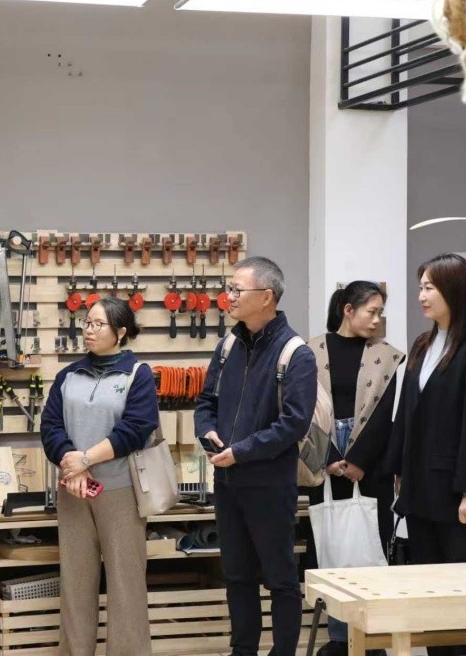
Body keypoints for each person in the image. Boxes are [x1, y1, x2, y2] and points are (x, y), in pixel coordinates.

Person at [385, 253, 466, 656]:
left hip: (458, 494)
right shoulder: (422, 345)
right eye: (420, 287)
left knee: (465, 597)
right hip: (420, 490)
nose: (421, 296)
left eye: (429, 287)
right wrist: (399, 471)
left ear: (454, 290)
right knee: (430, 596)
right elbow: (407, 413)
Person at [195, 256, 317, 656]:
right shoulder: (228, 345)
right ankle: (243, 650)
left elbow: (294, 423)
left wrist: (242, 452)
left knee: (281, 579)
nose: (228, 296)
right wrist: (206, 431)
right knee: (237, 576)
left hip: (270, 485)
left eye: (236, 289)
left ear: (266, 296)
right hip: (227, 483)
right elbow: (206, 402)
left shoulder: (296, 354)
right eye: (228, 288)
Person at [40, 296, 159, 656]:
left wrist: (85, 460)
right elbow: (50, 426)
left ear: (120, 332)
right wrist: (71, 464)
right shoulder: (68, 375)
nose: (89, 330)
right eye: (87, 323)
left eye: (98, 324)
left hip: (120, 491)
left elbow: (134, 429)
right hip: (73, 492)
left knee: (125, 584)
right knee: (75, 583)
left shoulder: (138, 375)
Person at [306, 281, 405, 656]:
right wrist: (329, 456)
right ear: (348, 310)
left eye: (380, 313)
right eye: (371, 312)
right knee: (332, 545)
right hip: (325, 452)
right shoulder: (311, 352)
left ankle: (372, 637)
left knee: (371, 544)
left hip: (371, 460)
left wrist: (360, 461)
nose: (377, 320)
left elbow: (385, 413)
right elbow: (303, 410)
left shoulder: (386, 356)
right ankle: (338, 639)